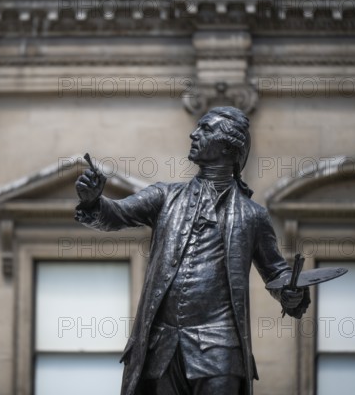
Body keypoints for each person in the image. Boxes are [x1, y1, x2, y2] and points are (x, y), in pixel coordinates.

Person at [75, 106, 310, 395]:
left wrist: (291, 292)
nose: (193, 133)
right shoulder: (165, 197)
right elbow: (117, 215)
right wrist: (92, 201)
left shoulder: (252, 216)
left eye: (205, 129)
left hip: (220, 347)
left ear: (228, 146)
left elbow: (277, 271)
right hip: (163, 347)